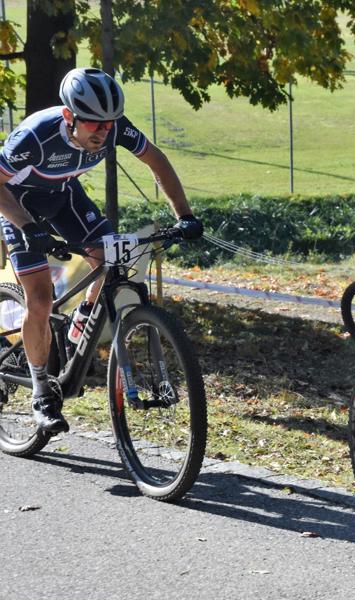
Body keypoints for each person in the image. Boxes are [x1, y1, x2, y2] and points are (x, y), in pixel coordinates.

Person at [0, 67, 204, 434]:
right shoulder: (34, 137)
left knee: (110, 258)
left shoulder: (113, 128)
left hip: (63, 196)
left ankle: (81, 323)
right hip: (17, 203)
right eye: (95, 124)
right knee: (41, 299)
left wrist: (185, 214)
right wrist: (28, 227)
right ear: (69, 117)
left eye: (110, 123)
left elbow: (155, 160)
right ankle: (41, 392)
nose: (104, 132)